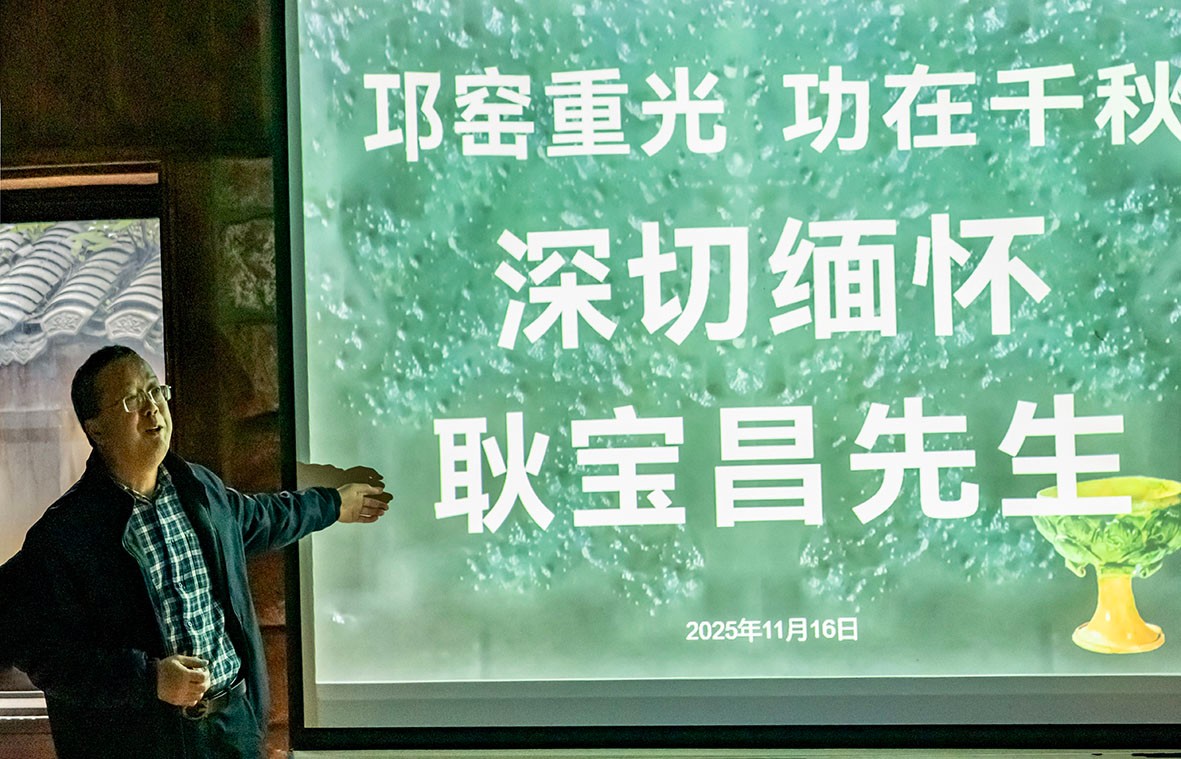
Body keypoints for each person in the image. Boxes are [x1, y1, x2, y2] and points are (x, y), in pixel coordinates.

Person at [2, 345, 389, 758]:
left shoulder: (199, 490)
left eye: (155, 391)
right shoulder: (66, 533)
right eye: (132, 400)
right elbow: (40, 652)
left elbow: (265, 517)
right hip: (145, 744)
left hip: (231, 728)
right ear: (96, 429)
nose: (152, 408)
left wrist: (334, 504)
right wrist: (148, 679)